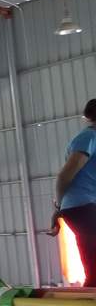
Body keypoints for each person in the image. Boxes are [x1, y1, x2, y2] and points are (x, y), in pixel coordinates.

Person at [49, 99, 96, 287]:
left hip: (85, 205)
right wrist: (59, 208)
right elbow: (64, 176)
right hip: (81, 206)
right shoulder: (89, 137)